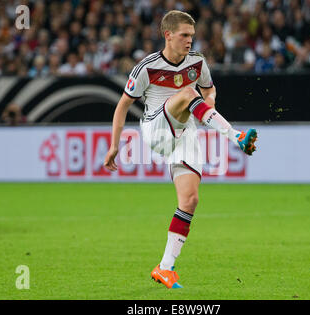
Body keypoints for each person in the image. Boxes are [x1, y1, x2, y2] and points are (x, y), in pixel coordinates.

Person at [103, 10, 257, 289]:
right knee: (188, 93)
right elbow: (123, 105)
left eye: (192, 36)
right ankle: (237, 136)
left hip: (186, 133)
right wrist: (114, 145)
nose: (189, 41)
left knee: (190, 200)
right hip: (156, 129)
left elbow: (209, 91)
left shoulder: (197, 62)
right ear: (168, 35)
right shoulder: (146, 67)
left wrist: (207, 105)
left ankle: (164, 268)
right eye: (184, 36)